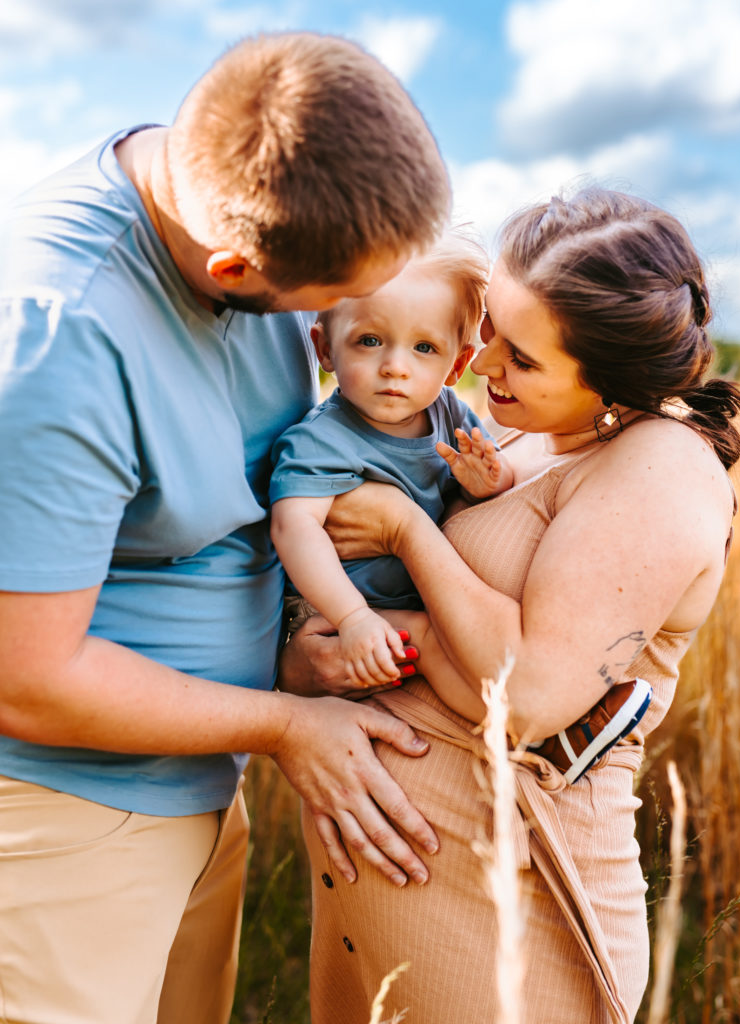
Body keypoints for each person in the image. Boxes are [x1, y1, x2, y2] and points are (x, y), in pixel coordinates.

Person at [0, 31, 455, 1024]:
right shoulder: (53, 340)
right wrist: (287, 723)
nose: (334, 333)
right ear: (234, 265)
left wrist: (290, 657)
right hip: (60, 823)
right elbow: (24, 679)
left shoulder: (244, 196)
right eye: (333, 310)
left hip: (201, 777)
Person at [280, 187, 740, 1023]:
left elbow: (526, 697)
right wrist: (307, 662)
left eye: (519, 357)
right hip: (382, 884)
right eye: (489, 326)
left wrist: (403, 536)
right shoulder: (515, 430)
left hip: (505, 911)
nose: (481, 362)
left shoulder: (658, 472)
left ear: (612, 380)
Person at [270, 231, 513, 694]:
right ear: (324, 349)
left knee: (457, 637)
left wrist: (487, 482)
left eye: (424, 348)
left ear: (457, 365)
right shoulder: (320, 440)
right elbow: (293, 529)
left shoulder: (450, 413)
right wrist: (353, 616)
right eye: (370, 340)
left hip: (408, 598)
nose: (395, 367)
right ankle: (528, 728)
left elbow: (499, 474)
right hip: (333, 609)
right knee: (429, 640)